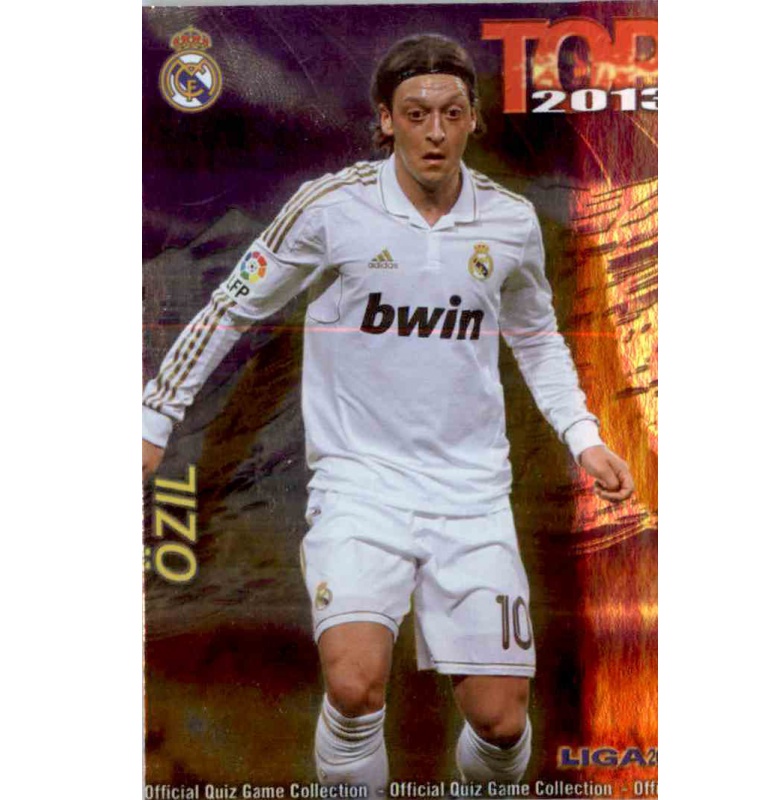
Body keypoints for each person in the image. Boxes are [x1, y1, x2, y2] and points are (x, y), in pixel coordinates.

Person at [142, 34, 634, 793]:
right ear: (385, 120)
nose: (435, 132)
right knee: (352, 685)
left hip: (472, 496)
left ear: (474, 119)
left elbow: (537, 340)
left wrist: (583, 436)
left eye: (451, 113)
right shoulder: (331, 209)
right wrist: (154, 418)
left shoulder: (509, 222)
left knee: (501, 722)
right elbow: (231, 307)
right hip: (360, 486)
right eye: (416, 114)